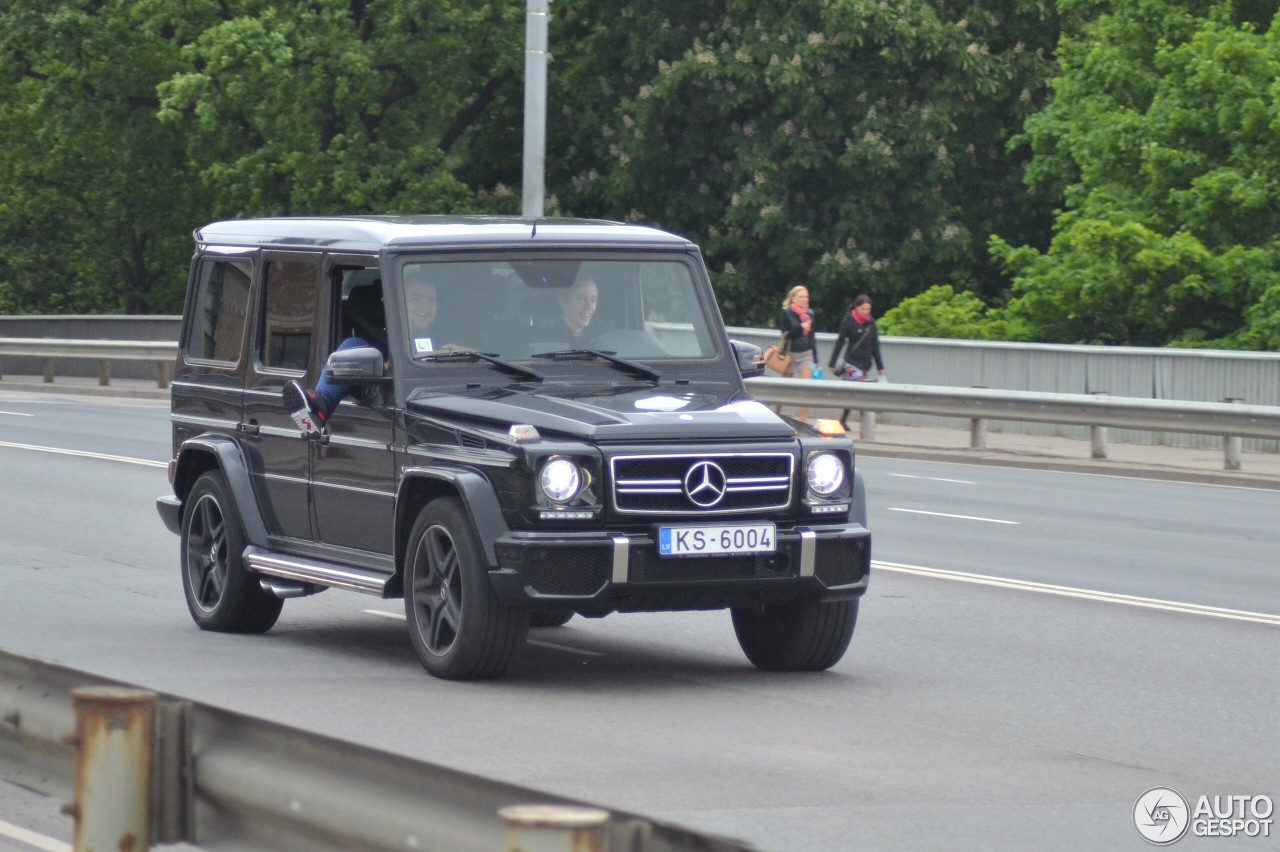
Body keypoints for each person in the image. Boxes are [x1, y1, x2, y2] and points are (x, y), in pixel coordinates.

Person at [828, 294, 887, 426]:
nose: (866, 312)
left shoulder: (871, 323)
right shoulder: (848, 321)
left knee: (853, 393)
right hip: (851, 362)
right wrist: (832, 363)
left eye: (868, 309)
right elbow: (840, 342)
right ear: (856, 307)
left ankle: (843, 420)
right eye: (863, 309)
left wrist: (880, 368)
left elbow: (875, 346)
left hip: (865, 363)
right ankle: (868, 418)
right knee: (860, 387)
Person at [777, 284, 818, 422]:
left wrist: (815, 357)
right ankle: (776, 414)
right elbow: (786, 334)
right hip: (790, 354)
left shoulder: (810, 313)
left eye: (806, 297)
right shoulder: (786, 312)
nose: (804, 299)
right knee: (783, 389)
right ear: (793, 298)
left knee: (805, 390)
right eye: (801, 296)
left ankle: (803, 422)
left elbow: (812, 336)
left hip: (806, 354)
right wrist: (801, 327)